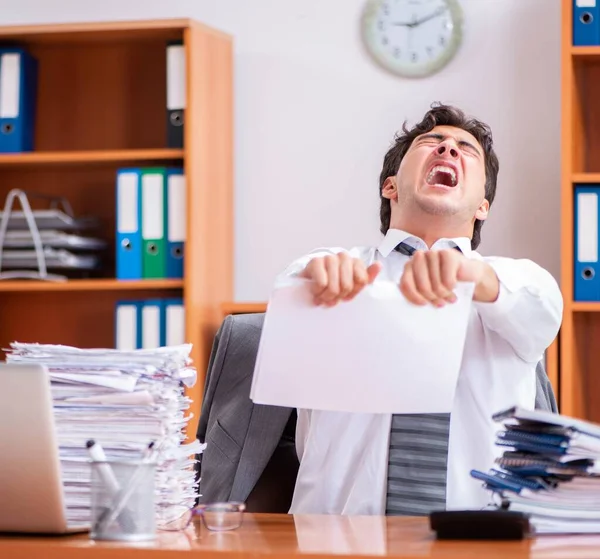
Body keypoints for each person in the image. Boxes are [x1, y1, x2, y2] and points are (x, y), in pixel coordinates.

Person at [274, 103, 563, 516]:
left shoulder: (514, 281)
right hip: (335, 540)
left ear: (483, 205)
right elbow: (289, 297)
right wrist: (315, 284)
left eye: (466, 149)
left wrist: (472, 277)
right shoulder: (329, 268)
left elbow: (542, 308)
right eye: (432, 142)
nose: (448, 148)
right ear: (390, 186)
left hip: (480, 546)